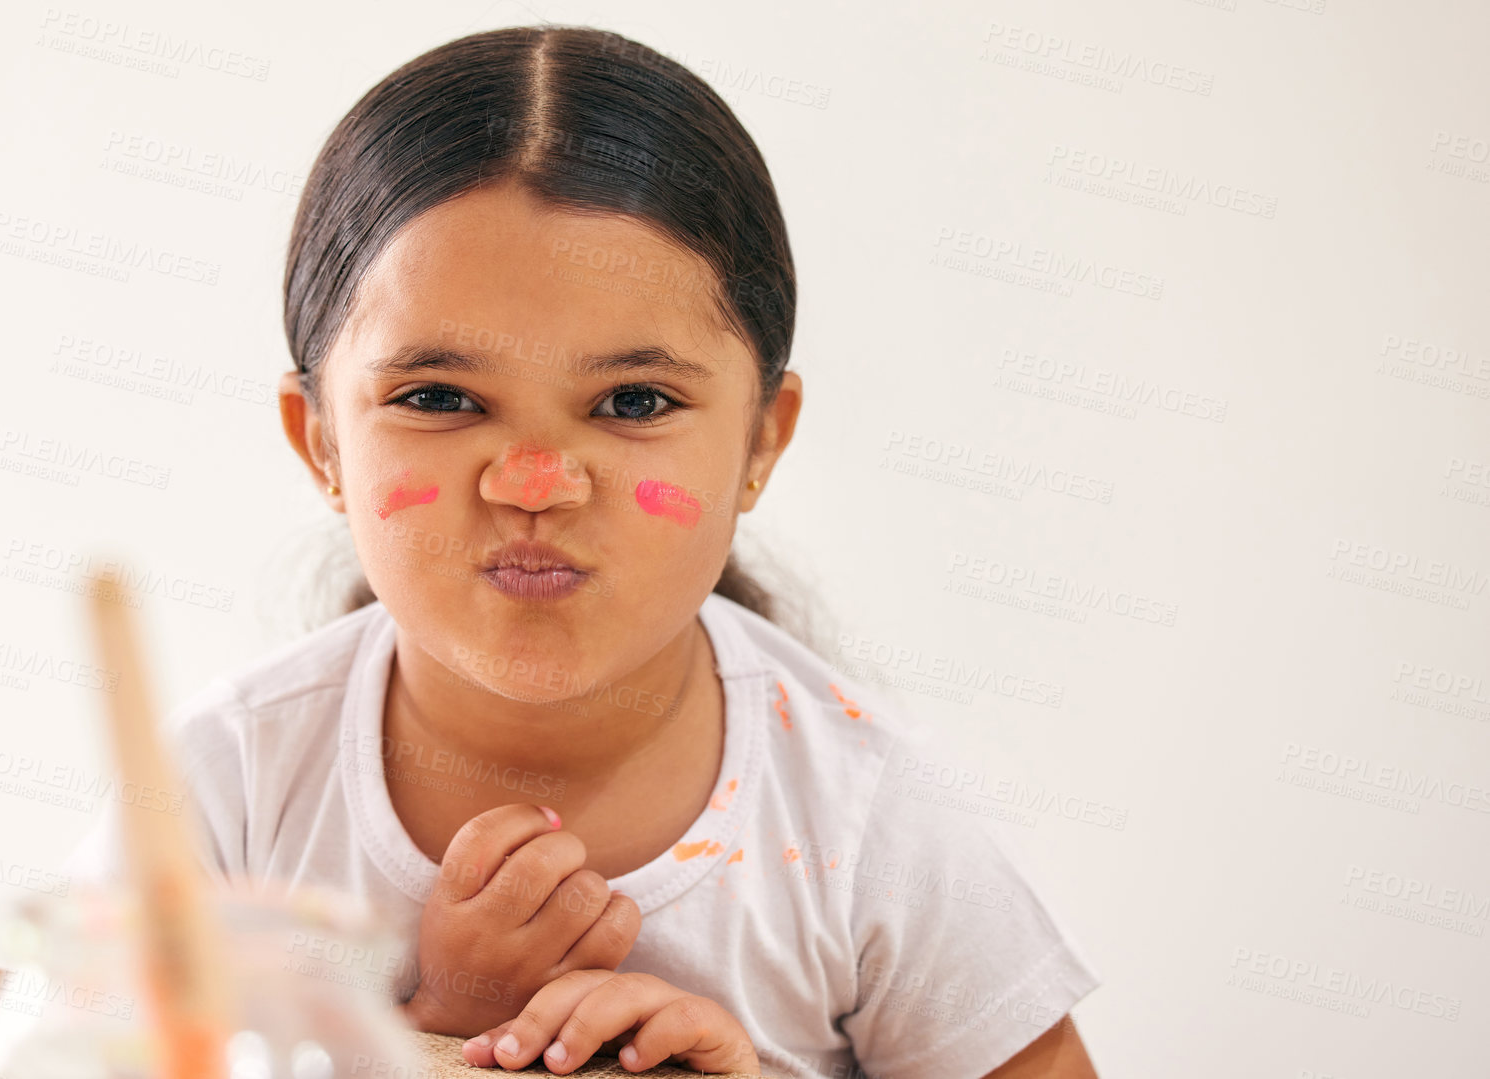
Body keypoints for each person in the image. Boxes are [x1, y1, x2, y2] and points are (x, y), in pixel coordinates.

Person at [63, 24, 1100, 1079]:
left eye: (634, 401)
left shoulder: (870, 821)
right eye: (438, 397)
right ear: (322, 442)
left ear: (759, 441)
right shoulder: (223, 791)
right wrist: (437, 1023)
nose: (533, 481)